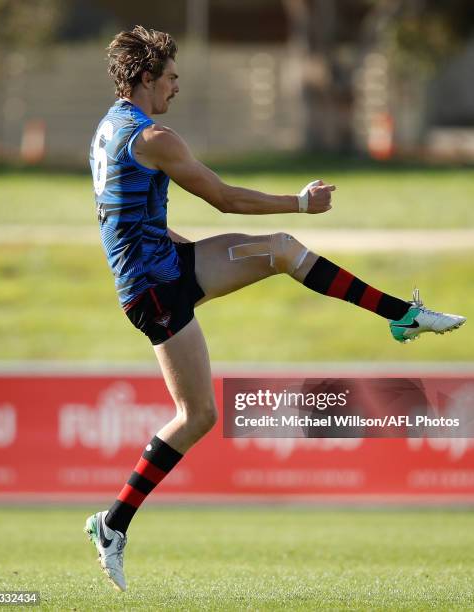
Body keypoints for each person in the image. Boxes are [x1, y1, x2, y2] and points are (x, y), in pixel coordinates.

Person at [84, 25, 466, 591]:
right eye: (170, 76)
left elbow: (122, 212)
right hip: (156, 290)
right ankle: (111, 525)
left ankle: (400, 315)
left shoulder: (109, 127)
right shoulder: (155, 136)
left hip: (166, 264)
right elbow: (226, 197)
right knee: (199, 416)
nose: (177, 85)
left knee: (282, 251)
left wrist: (171, 245)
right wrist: (302, 202)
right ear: (145, 77)